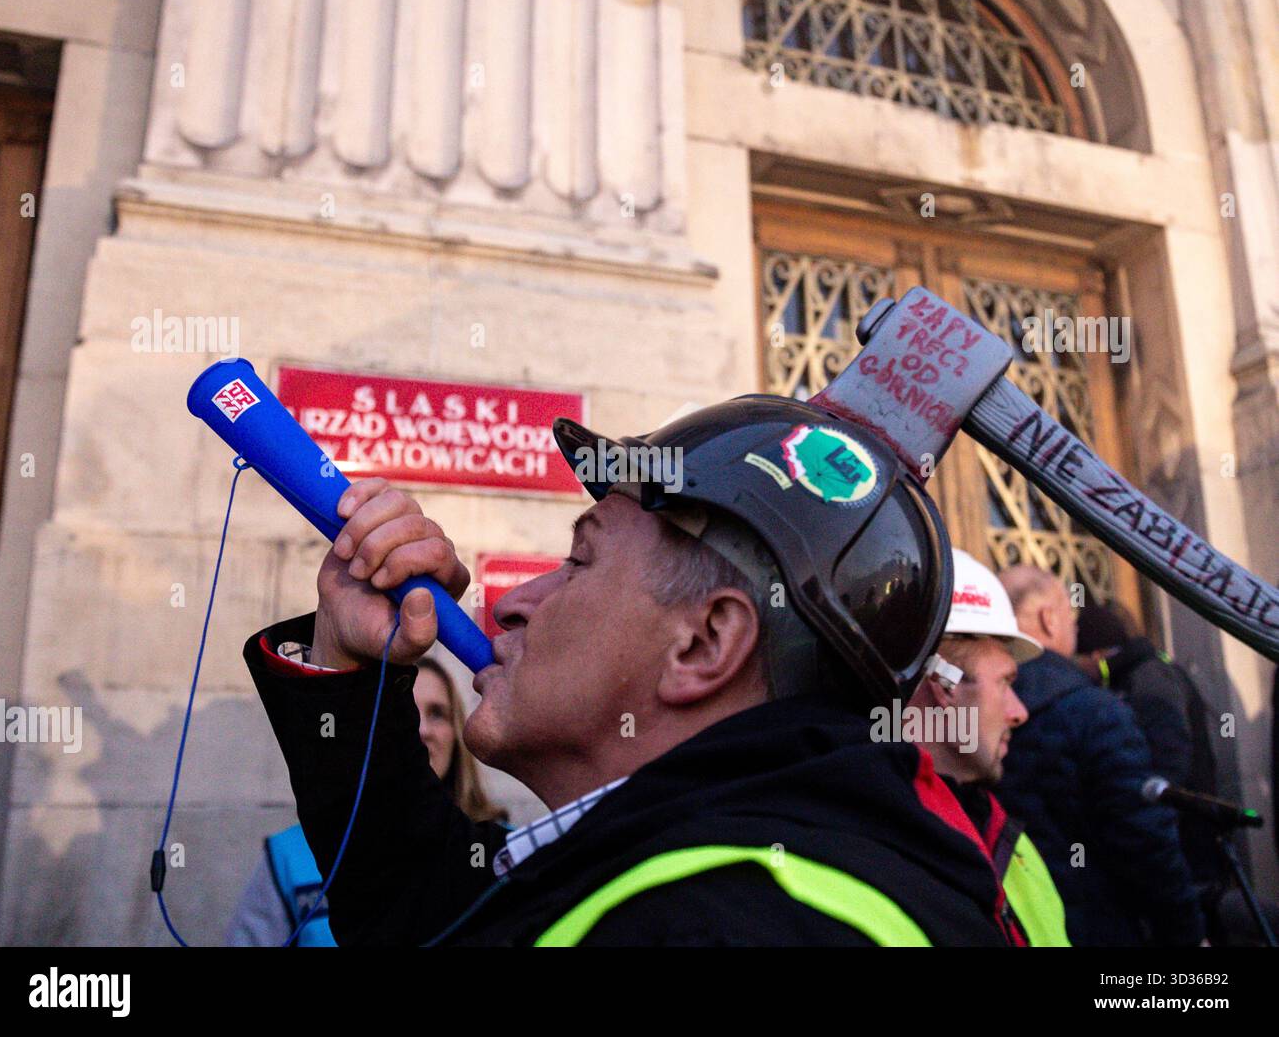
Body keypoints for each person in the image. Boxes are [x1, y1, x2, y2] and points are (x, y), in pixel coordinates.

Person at [244, 396, 1018, 945]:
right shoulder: (729, 873)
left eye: (579, 560)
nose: (510, 605)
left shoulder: (716, 923)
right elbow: (426, 913)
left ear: (705, 644)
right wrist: (348, 671)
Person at [226, 657, 506, 946]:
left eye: (437, 714)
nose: (422, 730)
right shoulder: (290, 855)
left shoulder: (503, 852)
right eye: (404, 710)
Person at [994, 565, 1205, 946]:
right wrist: (1185, 932)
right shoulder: (1092, 710)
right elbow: (1143, 837)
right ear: (1049, 618)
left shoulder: (969, 712)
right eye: (1071, 617)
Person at [903, 549, 1068, 945]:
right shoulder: (886, 844)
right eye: (1006, 684)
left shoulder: (1007, 838)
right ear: (945, 684)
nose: (1019, 712)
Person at [1074, 601, 1222, 888]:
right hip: (1177, 838)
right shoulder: (1140, 673)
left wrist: (1149, 825)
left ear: (1096, 654)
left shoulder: (1148, 677)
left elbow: (1169, 764)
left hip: (1185, 842)